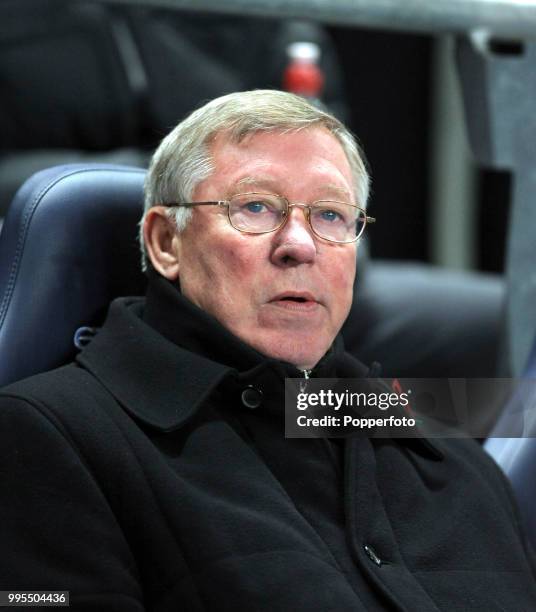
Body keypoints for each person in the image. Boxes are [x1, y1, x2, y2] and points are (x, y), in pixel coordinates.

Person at [0, 90, 534, 611]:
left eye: (330, 215)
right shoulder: (50, 434)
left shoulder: (446, 450)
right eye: (255, 207)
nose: (300, 245)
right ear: (165, 242)